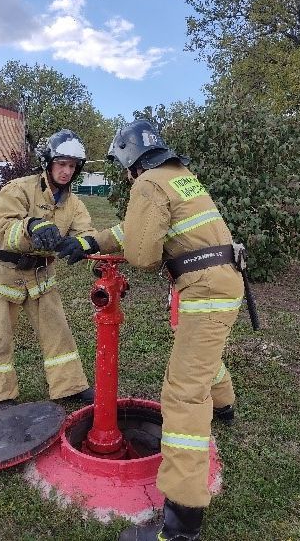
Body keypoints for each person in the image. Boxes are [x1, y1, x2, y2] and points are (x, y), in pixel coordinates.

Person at [56, 120, 244, 540]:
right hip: (224, 280)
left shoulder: (146, 185)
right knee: (202, 357)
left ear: (128, 161)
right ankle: (226, 406)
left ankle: (181, 523)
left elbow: (142, 252)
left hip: (204, 289)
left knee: (182, 395)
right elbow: (139, 230)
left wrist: (112, 249)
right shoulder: (180, 178)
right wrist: (90, 243)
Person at [0, 129, 99, 412]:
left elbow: (87, 231)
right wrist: (30, 226)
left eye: (72, 166)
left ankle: (69, 386)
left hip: (41, 277)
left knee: (59, 332)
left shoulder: (73, 203)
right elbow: (0, 229)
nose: (66, 171)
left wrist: (82, 244)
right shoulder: (18, 189)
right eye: (61, 164)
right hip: (2, 274)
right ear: (48, 163)